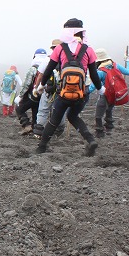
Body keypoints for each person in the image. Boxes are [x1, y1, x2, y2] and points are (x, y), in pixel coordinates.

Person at [35, 18, 105, 156]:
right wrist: (101, 89)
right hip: (81, 93)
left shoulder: (60, 49)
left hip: (64, 92)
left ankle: (41, 147)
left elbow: (49, 70)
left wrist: (41, 86)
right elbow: (94, 74)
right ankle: (90, 140)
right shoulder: (88, 50)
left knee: (54, 119)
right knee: (73, 116)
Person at [91, 48, 129, 137]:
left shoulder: (100, 71)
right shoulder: (115, 65)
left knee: (98, 114)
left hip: (105, 95)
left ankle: (99, 132)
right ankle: (109, 128)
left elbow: (93, 86)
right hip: (115, 93)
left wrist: (84, 93)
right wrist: (127, 60)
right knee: (109, 109)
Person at [33, 39, 66, 138]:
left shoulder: (48, 60)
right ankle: (58, 132)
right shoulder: (67, 59)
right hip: (62, 91)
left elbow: (41, 75)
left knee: (43, 110)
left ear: (52, 48)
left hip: (49, 89)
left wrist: (37, 87)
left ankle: (38, 132)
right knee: (60, 110)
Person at [15, 49, 47, 135]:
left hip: (31, 95)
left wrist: (20, 96)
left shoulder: (33, 69)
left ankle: (27, 126)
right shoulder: (48, 69)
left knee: (19, 109)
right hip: (42, 96)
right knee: (36, 112)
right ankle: (35, 130)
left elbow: (26, 84)